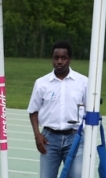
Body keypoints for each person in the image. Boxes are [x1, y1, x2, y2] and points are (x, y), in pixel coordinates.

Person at [28, 41, 88, 178]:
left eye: (63, 58)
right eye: (56, 58)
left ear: (70, 59)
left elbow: (90, 110)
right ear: (52, 59)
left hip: (75, 138)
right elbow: (33, 111)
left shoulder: (83, 82)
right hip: (49, 139)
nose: (59, 61)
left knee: (77, 176)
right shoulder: (41, 83)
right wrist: (37, 135)